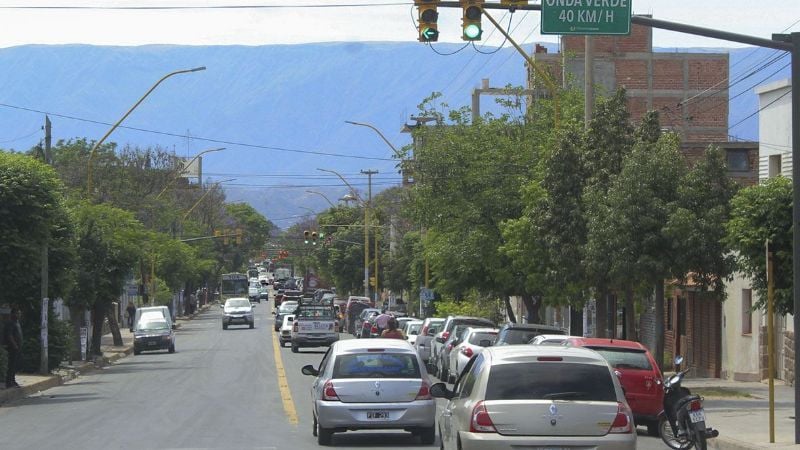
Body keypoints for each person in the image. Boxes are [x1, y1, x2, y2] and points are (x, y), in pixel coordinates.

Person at [3, 308, 23, 388]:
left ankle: (13, 380)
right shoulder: (10, 323)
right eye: (17, 313)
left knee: (15, 365)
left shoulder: (17, 323)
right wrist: (14, 345)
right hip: (12, 348)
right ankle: (9, 382)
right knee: (11, 365)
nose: (19, 315)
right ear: (12, 314)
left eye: (19, 313)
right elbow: (9, 335)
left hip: (18, 348)